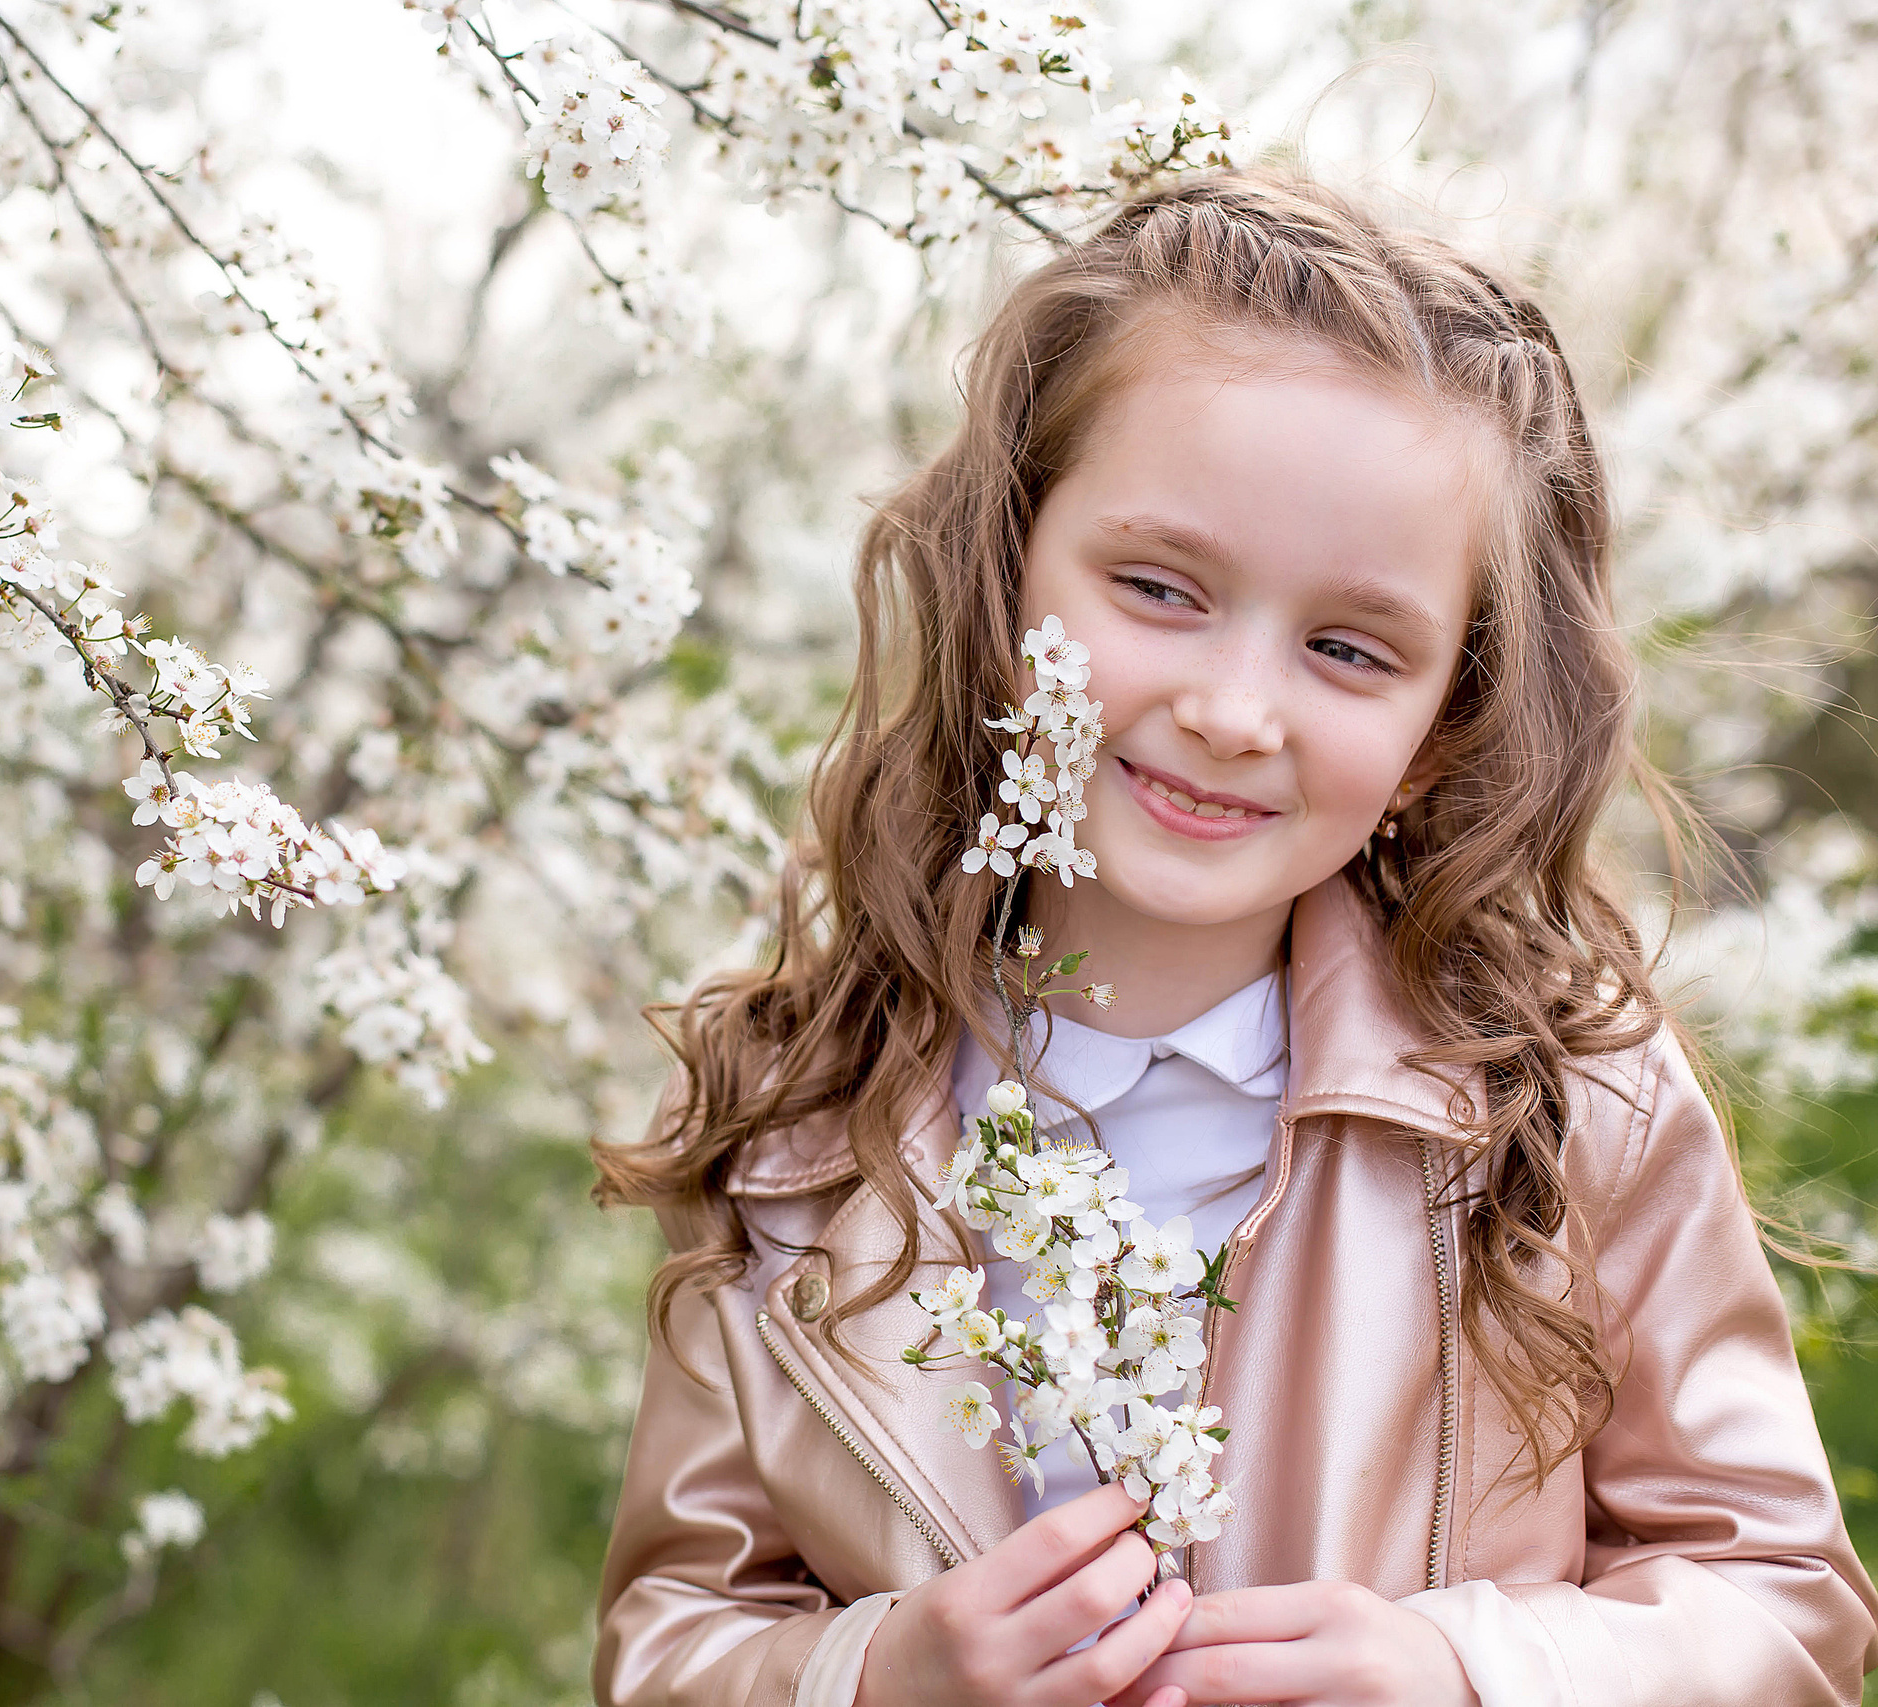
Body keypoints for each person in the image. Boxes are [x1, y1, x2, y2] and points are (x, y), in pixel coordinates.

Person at [587, 171, 1878, 1707]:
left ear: (1441, 726)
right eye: (1158, 589)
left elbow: (1784, 1602)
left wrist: (1465, 1674)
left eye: (1348, 648)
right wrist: (879, 1678)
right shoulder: (802, 1116)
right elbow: (677, 1634)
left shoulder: (1567, 1103)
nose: (1234, 712)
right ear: (1004, 570)